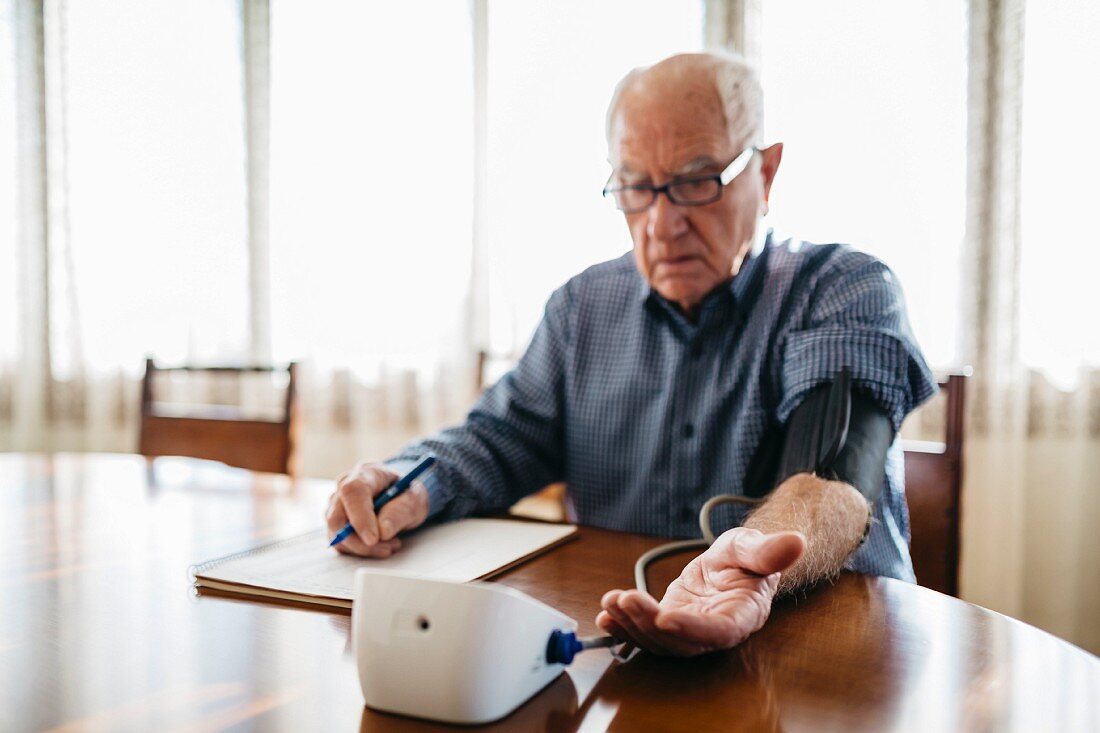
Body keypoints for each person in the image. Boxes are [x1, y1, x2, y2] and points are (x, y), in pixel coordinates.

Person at [325, 52, 935, 657]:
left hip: (826, 651)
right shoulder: (582, 308)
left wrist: (759, 561)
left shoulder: (843, 288)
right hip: (622, 642)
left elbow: (832, 474)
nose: (662, 224)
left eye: (697, 181)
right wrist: (407, 483)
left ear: (766, 173)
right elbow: (498, 439)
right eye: (637, 188)